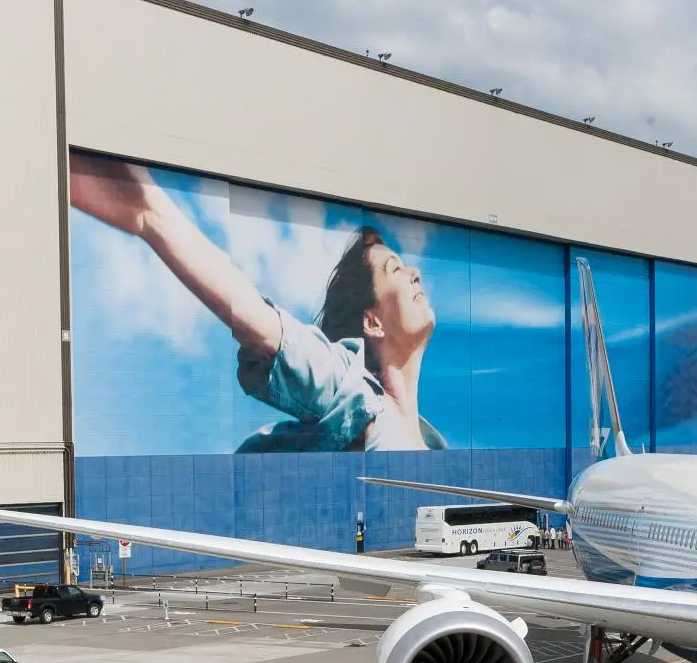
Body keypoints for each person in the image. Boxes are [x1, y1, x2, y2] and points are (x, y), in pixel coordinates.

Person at [69, 154, 442, 452]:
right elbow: (261, 325)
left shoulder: (433, 444)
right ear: (372, 321)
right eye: (396, 268)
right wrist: (152, 217)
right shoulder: (352, 390)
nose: (415, 273)